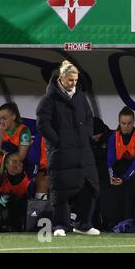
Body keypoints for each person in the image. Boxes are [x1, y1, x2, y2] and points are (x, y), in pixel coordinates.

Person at [36, 59, 100, 237]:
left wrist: (86, 135)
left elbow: (88, 116)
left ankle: (83, 224)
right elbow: (43, 124)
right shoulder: (49, 98)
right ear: (62, 78)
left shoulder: (80, 95)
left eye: (76, 80)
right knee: (61, 189)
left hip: (82, 150)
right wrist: (58, 141)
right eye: (70, 80)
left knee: (91, 186)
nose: (74, 83)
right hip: (61, 152)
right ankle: (59, 226)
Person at [105, 107, 135, 229]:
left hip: (133, 171)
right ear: (119, 122)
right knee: (110, 189)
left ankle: (129, 221)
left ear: (133, 122)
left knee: (129, 189)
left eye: (129, 123)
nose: (126, 126)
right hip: (118, 169)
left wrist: (125, 178)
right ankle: (111, 223)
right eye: (123, 123)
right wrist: (112, 176)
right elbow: (110, 160)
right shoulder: (113, 137)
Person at [0, 102, 31, 174]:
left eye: (4, 118)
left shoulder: (24, 131)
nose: (2, 122)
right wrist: (0, 135)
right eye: (0, 119)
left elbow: (21, 156)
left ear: (13, 116)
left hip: (15, 168)